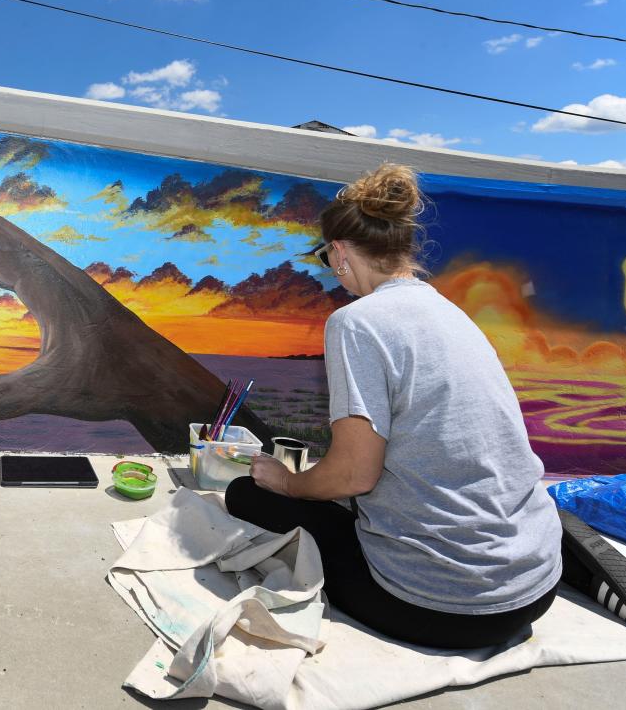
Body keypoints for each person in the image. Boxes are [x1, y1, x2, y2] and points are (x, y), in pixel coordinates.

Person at [226, 163, 561, 649]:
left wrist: (287, 481)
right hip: (535, 586)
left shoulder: (356, 322)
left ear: (339, 252)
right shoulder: (451, 313)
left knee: (245, 493)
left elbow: (355, 476)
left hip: (442, 605)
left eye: (326, 258)